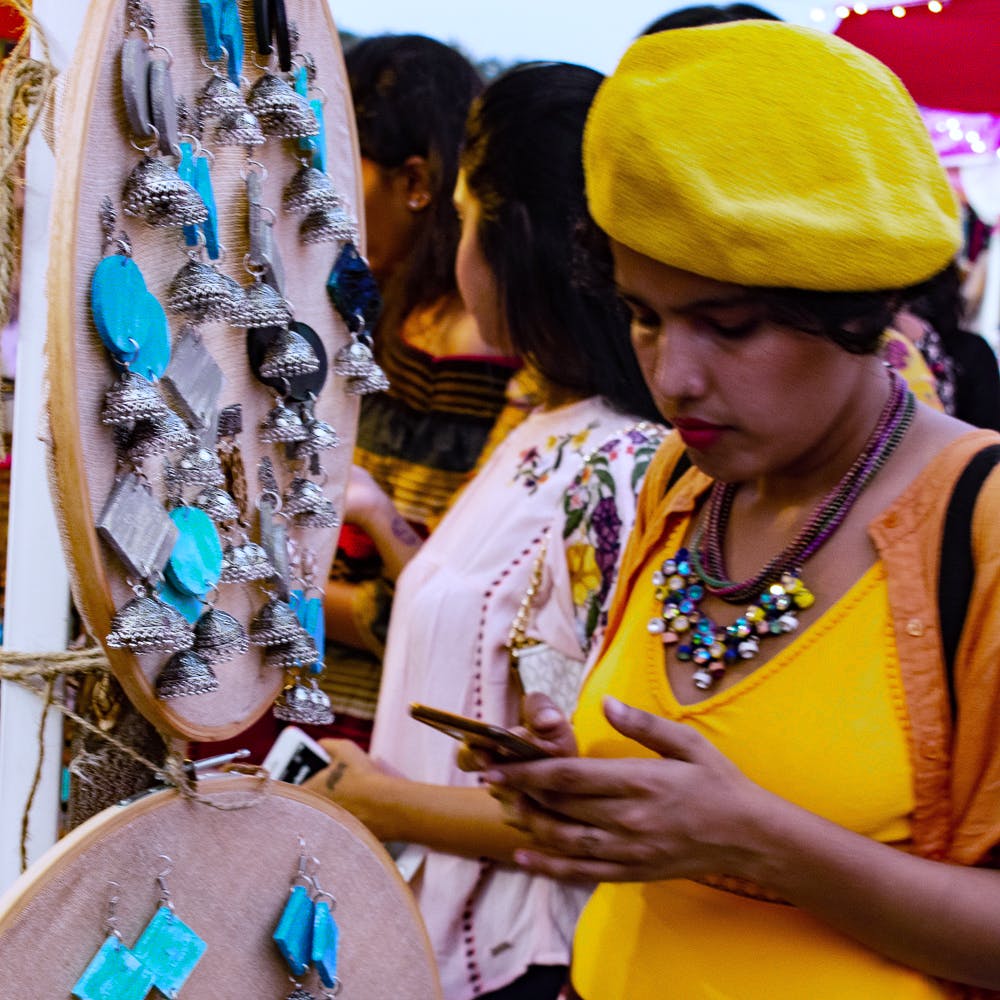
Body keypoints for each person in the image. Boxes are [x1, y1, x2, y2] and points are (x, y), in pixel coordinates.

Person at [475, 23, 1000, 999]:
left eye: (729, 326)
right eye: (642, 314)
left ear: (852, 307)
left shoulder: (979, 521)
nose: (673, 375)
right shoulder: (683, 481)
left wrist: (758, 838)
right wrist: (590, 782)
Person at [306, 62, 666, 1000]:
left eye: (466, 218)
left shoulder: (622, 466)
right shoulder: (543, 422)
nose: (454, 249)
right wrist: (386, 526)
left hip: (519, 961)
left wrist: (377, 798)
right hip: (437, 933)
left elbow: (598, 808)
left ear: (515, 244)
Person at [320, 35, 521, 749]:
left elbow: (423, 594)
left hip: (370, 722)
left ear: (416, 181)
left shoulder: (468, 345)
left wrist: (272, 601)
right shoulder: (382, 309)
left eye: (345, 168)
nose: (326, 196)